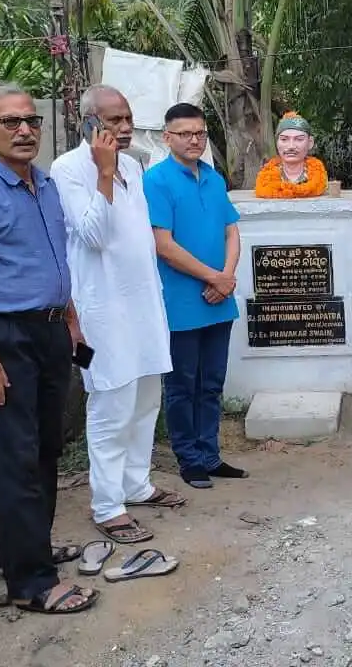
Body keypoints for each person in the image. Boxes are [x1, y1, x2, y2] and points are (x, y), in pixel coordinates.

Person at [0, 82, 98, 615]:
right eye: (10, 122)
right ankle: (30, 584)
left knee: (46, 448)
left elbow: (54, 261)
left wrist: (70, 319)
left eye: (31, 120)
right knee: (13, 459)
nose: (24, 130)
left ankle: (27, 552)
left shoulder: (45, 184)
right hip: (1, 337)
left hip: (49, 331)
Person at [51, 85, 184, 544]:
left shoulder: (134, 165)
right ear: (89, 122)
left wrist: (116, 168)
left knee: (147, 397)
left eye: (128, 119)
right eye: (114, 121)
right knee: (111, 404)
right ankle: (107, 506)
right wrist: (103, 174)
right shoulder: (66, 170)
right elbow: (93, 237)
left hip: (143, 304)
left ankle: (136, 484)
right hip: (101, 312)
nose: (125, 129)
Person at [144, 102, 247, 489]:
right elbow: (163, 245)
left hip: (219, 300)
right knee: (182, 384)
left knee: (212, 382)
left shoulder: (214, 179)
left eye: (200, 133)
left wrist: (227, 277)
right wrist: (214, 278)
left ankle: (210, 454)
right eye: (185, 133)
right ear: (167, 137)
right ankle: (188, 459)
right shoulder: (156, 180)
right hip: (182, 303)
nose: (194, 140)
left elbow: (231, 230)